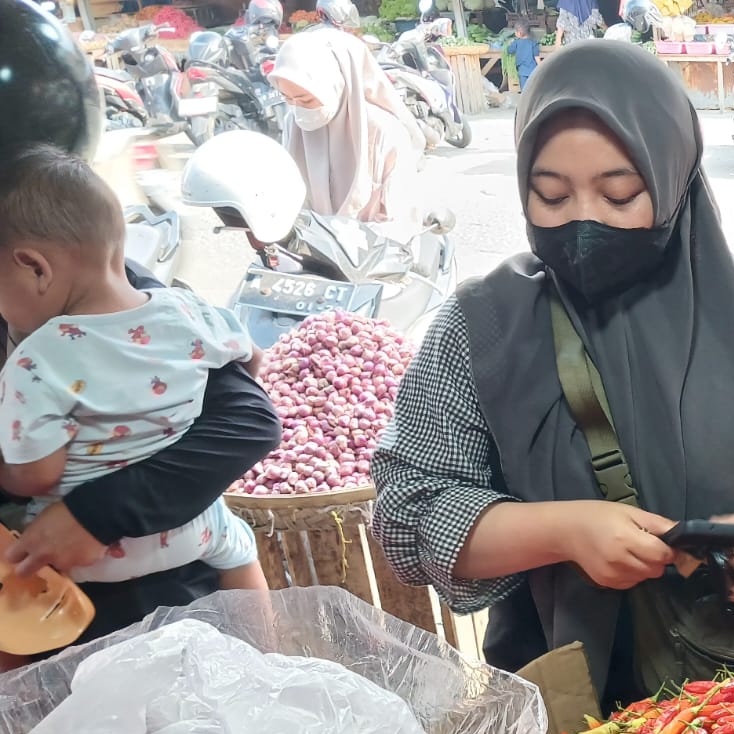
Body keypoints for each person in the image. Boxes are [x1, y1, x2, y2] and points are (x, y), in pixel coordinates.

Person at [372, 41, 734, 708]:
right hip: (572, 722)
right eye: (550, 195)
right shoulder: (481, 328)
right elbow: (408, 513)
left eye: (619, 194)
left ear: (674, 181)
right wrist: (562, 532)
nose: (583, 221)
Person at [0, 0, 281, 657]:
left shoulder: (55, 338)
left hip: (104, 589)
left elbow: (247, 419)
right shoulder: (166, 312)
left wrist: (94, 514)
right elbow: (247, 355)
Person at [0, 145, 271, 594]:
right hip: (194, 527)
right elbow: (253, 359)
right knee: (238, 545)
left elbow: (36, 475)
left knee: (15, 597)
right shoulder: (186, 310)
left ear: (34, 267)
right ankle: (269, 654)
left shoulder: (35, 359)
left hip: (82, 556)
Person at [270, 26, 426, 224]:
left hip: (376, 249)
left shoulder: (383, 130)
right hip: (310, 249)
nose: (298, 109)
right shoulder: (293, 124)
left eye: (306, 100)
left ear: (335, 85)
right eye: (288, 99)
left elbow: (403, 218)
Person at [508, 23, 541, 87]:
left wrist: (510, 44)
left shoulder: (516, 43)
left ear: (519, 33)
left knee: (524, 89)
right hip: (533, 70)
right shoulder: (534, 43)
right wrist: (541, 68)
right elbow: (537, 58)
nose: (515, 33)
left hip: (522, 71)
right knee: (533, 88)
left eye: (515, 31)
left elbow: (509, 51)